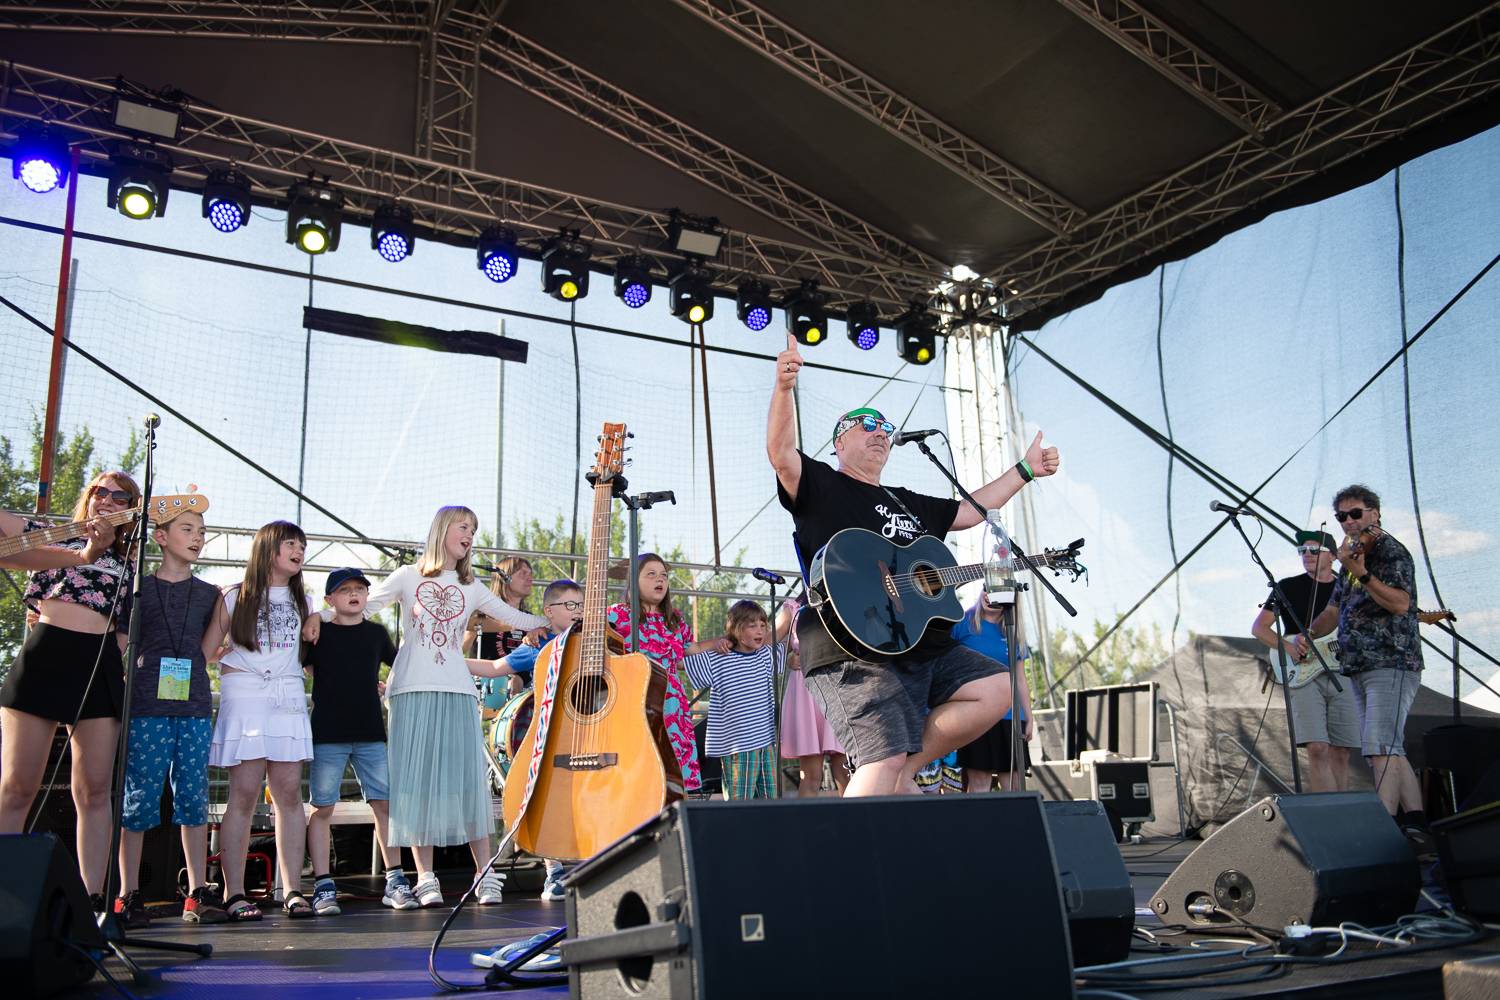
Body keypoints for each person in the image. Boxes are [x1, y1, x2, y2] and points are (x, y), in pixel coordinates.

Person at [768, 332, 1060, 796]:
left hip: (915, 644)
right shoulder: (823, 483)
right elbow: (782, 456)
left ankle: (911, 768)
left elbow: (969, 511)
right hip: (852, 645)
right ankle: (838, 863)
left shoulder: (905, 501)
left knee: (995, 688)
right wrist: (784, 390)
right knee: (879, 758)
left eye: (884, 426)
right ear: (839, 444)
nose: (880, 431)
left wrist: (1024, 471)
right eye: (866, 425)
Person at [305, 506, 546, 908]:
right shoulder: (407, 576)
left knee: (467, 782)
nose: (469, 534)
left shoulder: (472, 586)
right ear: (441, 530)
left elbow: (513, 615)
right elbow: (363, 605)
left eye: (474, 528)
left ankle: (486, 875)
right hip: (411, 689)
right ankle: (425, 878)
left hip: (458, 690)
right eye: (463, 526)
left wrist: (553, 618)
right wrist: (317, 615)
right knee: (415, 785)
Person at [0, 472, 138, 910]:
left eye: (120, 496)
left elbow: (121, 631)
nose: (106, 499)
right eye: (99, 490)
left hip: (98, 664)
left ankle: (90, 902)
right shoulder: (50, 534)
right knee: (18, 786)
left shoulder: (129, 561)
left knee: (94, 790)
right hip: (46, 654)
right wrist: (81, 549)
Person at [114, 504, 230, 927]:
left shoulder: (210, 594)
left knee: (193, 797)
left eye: (202, 530)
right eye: (187, 529)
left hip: (195, 707)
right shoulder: (139, 591)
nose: (197, 537)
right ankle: (127, 894)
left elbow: (209, 650)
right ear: (161, 537)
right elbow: (119, 646)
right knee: (140, 797)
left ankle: (197, 892)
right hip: (146, 707)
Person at [1298, 486, 1427, 831]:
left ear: (1375, 513)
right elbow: (1333, 609)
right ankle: (1417, 824)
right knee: (1389, 747)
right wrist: (1307, 633)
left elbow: (1400, 603)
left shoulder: (1390, 553)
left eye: (1355, 514)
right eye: (1342, 516)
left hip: (1391, 661)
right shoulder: (1351, 560)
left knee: (1379, 748)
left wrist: (1364, 572)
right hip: (1357, 665)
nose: (1348, 522)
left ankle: (1382, 828)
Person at [207, 520, 316, 920]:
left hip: (287, 697)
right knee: (244, 794)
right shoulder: (233, 596)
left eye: (302, 545)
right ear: (268, 549)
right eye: (291, 543)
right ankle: (233, 893)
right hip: (246, 698)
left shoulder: (306, 602)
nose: (299, 551)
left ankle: (291, 890)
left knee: (289, 794)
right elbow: (205, 653)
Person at [304, 567, 417, 915]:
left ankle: (395, 879)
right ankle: (323, 885)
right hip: (327, 734)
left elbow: (400, 666)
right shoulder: (317, 632)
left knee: (384, 805)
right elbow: (304, 669)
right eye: (344, 590)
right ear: (330, 600)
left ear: (367, 596)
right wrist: (315, 618)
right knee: (322, 808)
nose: (353, 594)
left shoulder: (377, 633)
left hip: (370, 734)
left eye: (360, 589)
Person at [470, 577, 583, 902]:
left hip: (586, 730)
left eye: (581, 605)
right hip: (547, 732)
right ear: (549, 611)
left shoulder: (593, 640)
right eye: (570, 605)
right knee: (546, 797)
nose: (578, 611)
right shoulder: (538, 643)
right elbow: (494, 667)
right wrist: (451, 662)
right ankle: (555, 871)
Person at [1250, 529, 1358, 793]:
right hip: (1303, 673)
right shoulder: (1287, 587)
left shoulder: (1347, 586)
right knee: (1317, 748)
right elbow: (1259, 628)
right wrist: (1287, 646)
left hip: (1342, 669)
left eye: (1313, 550)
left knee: (1341, 750)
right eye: (1302, 551)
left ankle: (1342, 811)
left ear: (1333, 556)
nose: (1306, 555)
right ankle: (1328, 816)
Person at [607, 553, 722, 794]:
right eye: (651, 574)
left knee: (675, 779)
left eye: (664, 576)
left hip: (673, 707)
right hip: (632, 702)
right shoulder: (615, 615)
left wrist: (722, 642)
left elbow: (692, 650)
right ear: (633, 580)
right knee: (637, 775)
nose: (660, 580)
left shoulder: (675, 619)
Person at [682, 600, 796, 800]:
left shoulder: (765, 654)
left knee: (771, 799)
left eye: (762, 625)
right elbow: (680, 661)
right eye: (752, 626)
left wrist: (794, 608)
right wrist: (718, 642)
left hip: (766, 743)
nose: (760, 631)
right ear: (736, 629)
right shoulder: (718, 657)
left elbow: (792, 643)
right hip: (738, 746)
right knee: (740, 801)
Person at [952, 595, 1034, 792]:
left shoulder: (1014, 631)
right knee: (979, 779)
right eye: (986, 589)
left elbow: (1020, 679)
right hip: (975, 712)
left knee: (1014, 782)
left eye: (997, 594)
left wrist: (1029, 717)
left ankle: (1014, 822)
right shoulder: (962, 622)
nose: (989, 596)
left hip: (1010, 716)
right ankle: (978, 823)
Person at [778, 599, 848, 797]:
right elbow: (766, 642)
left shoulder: (846, 600)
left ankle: (854, 825)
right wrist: (788, 658)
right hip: (806, 691)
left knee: (846, 773)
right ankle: (803, 827)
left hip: (839, 688)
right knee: (811, 777)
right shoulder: (793, 609)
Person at [464, 557, 535, 702]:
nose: (530, 579)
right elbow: (460, 648)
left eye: (530, 574)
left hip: (520, 696)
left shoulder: (530, 621)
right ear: (504, 577)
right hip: (483, 690)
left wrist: (520, 678)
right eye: (523, 574)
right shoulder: (482, 615)